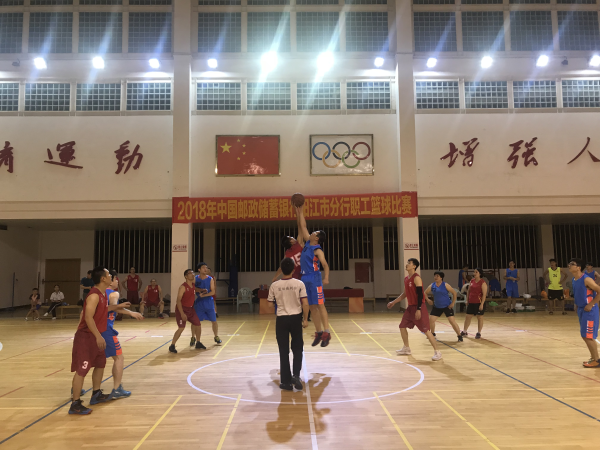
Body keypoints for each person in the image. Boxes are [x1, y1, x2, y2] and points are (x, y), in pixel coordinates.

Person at [69, 267, 131, 415]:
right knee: (82, 370)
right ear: (103, 279)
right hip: (86, 337)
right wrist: (98, 336)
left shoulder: (102, 294)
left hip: (96, 336)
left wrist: (119, 307)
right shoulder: (94, 295)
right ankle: (75, 404)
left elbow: (105, 309)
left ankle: (96, 394)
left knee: (100, 364)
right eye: (109, 275)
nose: (111, 277)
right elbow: (88, 317)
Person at [268, 257, 310, 391]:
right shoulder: (299, 284)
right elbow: (305, 303)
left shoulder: (274, 285)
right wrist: (305, 319)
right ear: (293, 269)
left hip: (281, 319)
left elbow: (269, 304)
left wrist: (279, 305)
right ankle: (296, 375)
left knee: (283, 350)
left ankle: (285, 382)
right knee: (297, 348)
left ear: (281, 270)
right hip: (296, 318)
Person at [388, 258, 441, 361]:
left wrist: (418, 309)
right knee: (402, 326)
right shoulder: (406, 279)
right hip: (410, 308)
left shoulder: (417, 278)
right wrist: (394, 302)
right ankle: (406, 348)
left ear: (414, 266)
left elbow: (420, 294)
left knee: (426, 331)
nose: (407, 264)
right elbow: (404, 294)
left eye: (409, 263)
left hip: (419, 307)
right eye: (407, 263)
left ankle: (437, 352)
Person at [102, 271, 144, 399]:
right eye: (116, 279)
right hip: (106, 330)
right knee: (119, 358)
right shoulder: (113, 293)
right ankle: (116, 389)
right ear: (111, 281)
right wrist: (131, 313)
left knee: (95, 361)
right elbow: (114, 306)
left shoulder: (98, 293)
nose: (117, 282)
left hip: (96, 329)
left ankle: (77, 387)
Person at [295, 205, 331, 348]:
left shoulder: (317, 250)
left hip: (314, 278)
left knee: (320, 305)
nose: (310, 233)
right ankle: (318, 332)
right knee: (311, 306)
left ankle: (327, 333)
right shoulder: (308, 243)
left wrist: (326, 277)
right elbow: (303, 226)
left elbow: (325, 265)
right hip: (304, 278)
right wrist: (300, 211)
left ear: (317, 238)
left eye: (314, 232)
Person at [568, 258, 600, 368]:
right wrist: (577, 305)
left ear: (578, 267)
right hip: (582, 309)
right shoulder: (574, 279)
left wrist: (591, 304)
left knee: (588, 336)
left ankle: (596, 360)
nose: (569, 265)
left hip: (590, 310)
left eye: (572, 264)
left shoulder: (586, 279)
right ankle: (593, 357)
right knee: (585, 335)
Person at [169, 269, 203, 354]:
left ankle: (198, 342)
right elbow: (178, 301)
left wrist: (201, 290)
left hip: (191, 309)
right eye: (190, 273)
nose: (192, 274)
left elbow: (195, 289)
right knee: (181, 328)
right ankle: (172, 345)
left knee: (198, 324)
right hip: (182, 309)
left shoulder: (193, 285)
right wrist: (182, 313)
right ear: (186, 276)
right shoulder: (183, 287)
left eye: (193, 273)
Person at [190, 262, 222, 348]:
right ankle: (193, 337)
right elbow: (192, 288)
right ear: (199, 269)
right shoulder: (195, 279)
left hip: (208, 302)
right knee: (195, 322)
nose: (205, 269)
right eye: (203, 267)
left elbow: (213, 292)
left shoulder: (210, 279)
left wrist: (204, 295)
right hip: (199, 303)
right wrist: (200, 290)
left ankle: (216, 336)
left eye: (206, 267)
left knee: (214, 321)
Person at [424, 272, 462, 342]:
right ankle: (433, 334)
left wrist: (453, 303)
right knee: (431, 320)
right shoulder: (432, 285)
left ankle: (459, 335)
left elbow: (454, 293)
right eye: (435, 276)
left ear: (441, 278)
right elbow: (425, 293)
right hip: (437, 306)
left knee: (452, 321)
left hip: (447, 306)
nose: (435, 277)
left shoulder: (445, 285)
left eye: (437, 276)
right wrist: (428, 300)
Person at [461, 268, 487, 339]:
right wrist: (467, 300)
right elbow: (469, 291)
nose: (474, 273)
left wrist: (482, 304)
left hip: (479, 302)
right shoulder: (472, 281)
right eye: (474, 272)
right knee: (468, 317)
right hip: (471, 302)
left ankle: (479, 332)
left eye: (476, 272)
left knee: (480, 317)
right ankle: (464, 331)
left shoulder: (483, 283)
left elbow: (484, 294)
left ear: (480, 274)